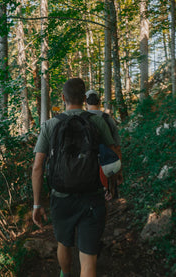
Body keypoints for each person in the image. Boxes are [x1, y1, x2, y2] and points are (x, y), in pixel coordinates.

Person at [32, 78, 115, 277]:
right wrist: (110, 187)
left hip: (61, 197)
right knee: (88, 260)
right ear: (85, 98)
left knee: (64, 243)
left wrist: (36, 204)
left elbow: (37, 167)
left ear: (63, 98)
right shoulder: (98, 121)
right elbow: (110, 160)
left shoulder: (50, 125)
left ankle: (65, 274)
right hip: (92, 197)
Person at [85, 89, 123, 199]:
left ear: (85, 102)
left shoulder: (80, 119)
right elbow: (117, 147)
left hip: (86, 167)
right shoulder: (108, 119)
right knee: (107, 199)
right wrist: (119, 171)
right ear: (99, 102)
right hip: (107, 165)